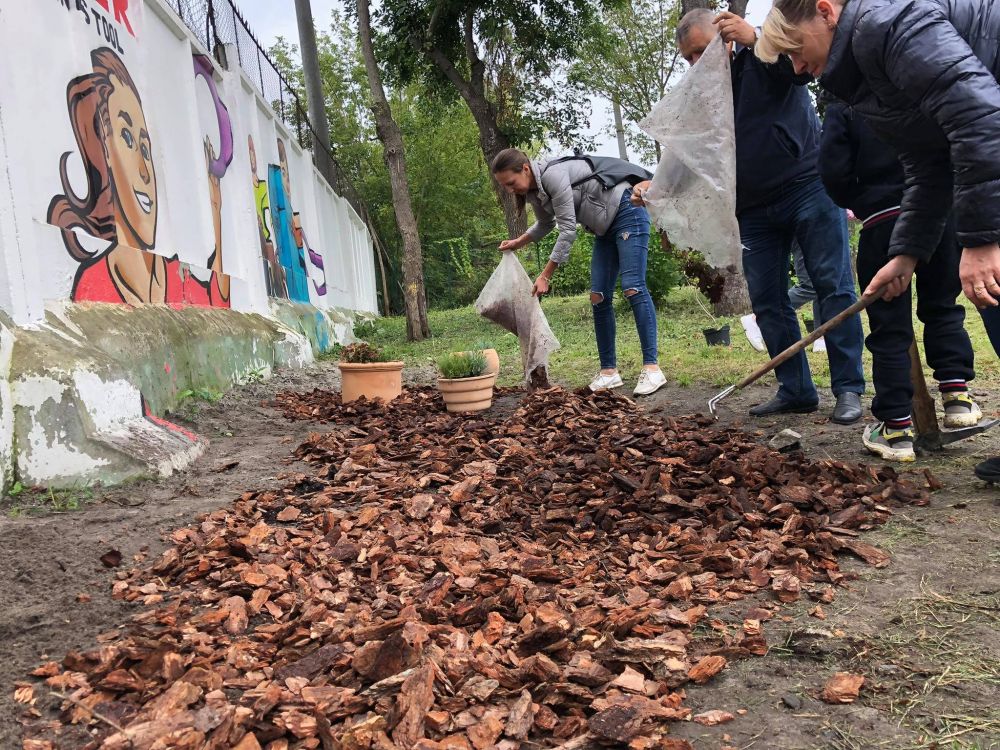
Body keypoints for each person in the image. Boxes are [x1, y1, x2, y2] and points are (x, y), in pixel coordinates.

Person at [754, 0, 1000, 479]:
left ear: (826, 11)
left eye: (796, 49)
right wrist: (906, 254)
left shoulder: (887, 27)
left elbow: (980, 120)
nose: (798, 67)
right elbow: (928, 166)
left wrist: (983, 241)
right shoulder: (865, 78)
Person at [644, 9, 866, 423]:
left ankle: (848, 388)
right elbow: (684, 153)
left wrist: (756, 37)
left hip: (808, 184)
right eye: (688, 58)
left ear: (724, 36)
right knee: (767, 301)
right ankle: (796, 389)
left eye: (700, 51)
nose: (696, 63)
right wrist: (655, 190)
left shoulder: (764, 54)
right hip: (753, 208)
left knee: (832, 285)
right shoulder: (702, 96)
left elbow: (802, 68)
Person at [820, 99, 982, 461]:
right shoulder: (919, 84)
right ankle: (957, 395)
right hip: (941, 215)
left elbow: (833, 171)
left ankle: (896, 429)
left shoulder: (847, 102)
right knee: (943, 305)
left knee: (889, 327)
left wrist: (863, 201)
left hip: (885, 219)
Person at [491, 148, 667, 396]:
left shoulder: (553, 175)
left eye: (511, 183)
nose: (510, 190)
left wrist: (545, 275)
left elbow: (567, 231)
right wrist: (518, 242)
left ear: (526, 169)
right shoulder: (534, 192)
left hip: (628, 211)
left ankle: (652, 368)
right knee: (598, 295)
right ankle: (609, 372)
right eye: (505, 187)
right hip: (603, 227)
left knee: (633, 286)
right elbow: (545, 223)